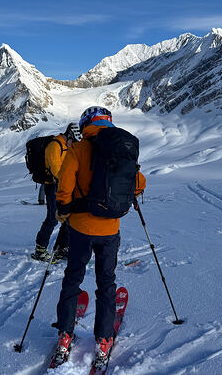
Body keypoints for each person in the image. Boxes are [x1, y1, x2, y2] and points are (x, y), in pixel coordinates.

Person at [52, 107, 146, 366]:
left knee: (73, 278)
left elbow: (65, 183)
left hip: (80, 228)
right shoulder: (122, 149)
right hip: (110, 230)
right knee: (106, 283)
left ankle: (64, 335)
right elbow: (139, 183)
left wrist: (63, 208)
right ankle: (104, 340)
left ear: (85, 124)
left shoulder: (79, 149)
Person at [31, 122, 81, 262]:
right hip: (53, 187)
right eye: (74, 141)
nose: (74, 145)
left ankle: (62, 248)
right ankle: (40, 250)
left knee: (68, 217)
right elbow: (56, 171)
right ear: (69, 136)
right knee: (53, 218)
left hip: (65, 186)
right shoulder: (55, 146)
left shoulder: (66, 146)